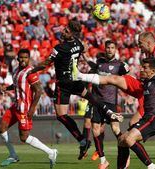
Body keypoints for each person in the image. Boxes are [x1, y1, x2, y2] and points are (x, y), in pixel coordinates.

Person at [78, 58, 155, 169]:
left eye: (145, 67)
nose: (141, 69)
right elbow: (113, 80)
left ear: (153, 70)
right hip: (147, 118)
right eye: (142, 66)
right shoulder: (145, 82)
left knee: (129, 138)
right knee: (122, 140)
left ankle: (151, 166)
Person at [28, 20, 122, 160]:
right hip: (76, 79)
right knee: (90, 97)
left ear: (71, 33)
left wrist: (31, 70)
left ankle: (82, 140)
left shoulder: (59, 48)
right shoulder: (78, 43)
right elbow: (82, 48)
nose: (63, 31)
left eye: (66, 30)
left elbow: (46, 64)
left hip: (63, 84)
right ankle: (109, 112)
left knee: (61, 115)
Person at [0, 49, 57, 168]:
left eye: (25, 57)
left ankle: (51, 152)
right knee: (1, 128)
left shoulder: (31, 72)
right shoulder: (16, 71)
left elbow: (38, 91)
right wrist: (6, 89)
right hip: (16, 106)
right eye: (21, 57)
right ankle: (13, 155)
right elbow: (17, 85)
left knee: (24, 137)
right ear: (17, 58)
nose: (23, 59)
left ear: (28, 59)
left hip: (25, 108)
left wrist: (32, 108)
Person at [87, 40, 129, 168]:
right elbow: (91, 68)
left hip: (111, 102)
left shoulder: (120, 65)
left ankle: (125, 154)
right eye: (108, 48)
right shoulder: (99, 62)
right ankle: (103, 160)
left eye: (112, 47)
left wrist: (127, 95)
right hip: (97, 101)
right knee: (95, 130)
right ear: (105, 49)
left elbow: (128, 80)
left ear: (115, 49)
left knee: (115, 129)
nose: (110, 50)